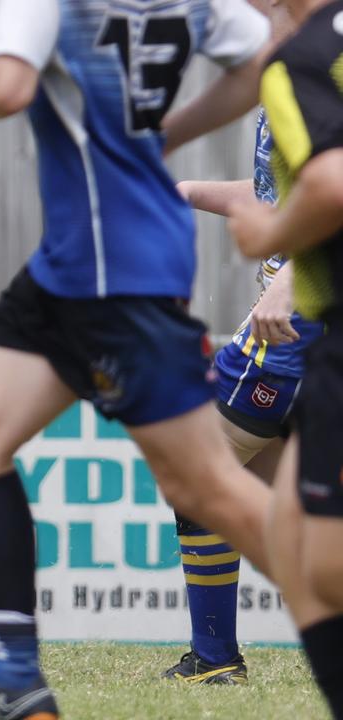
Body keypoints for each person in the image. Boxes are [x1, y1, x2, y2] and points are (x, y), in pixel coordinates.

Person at [0, 1, 271, 717]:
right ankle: (15, 678)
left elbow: (9, 87)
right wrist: (161, 137)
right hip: (70, 271)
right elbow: (257, 61)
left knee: (212, 490)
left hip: (116, 281)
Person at [162, 0, 321, 686]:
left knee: (198, 469)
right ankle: (216, 656)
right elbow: (277, 197)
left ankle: (215, 659)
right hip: (296, 319)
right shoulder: (287, 67)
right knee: (291, 514)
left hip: (299, 326)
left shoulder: (321, 64)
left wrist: (289, 279)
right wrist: (187, 190)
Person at [228, 0, 343, 714]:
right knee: (295, 542)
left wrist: (280, 262)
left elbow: (328, 186)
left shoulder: (299, 59)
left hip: (323, 320)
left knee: (319, 569)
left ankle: (213, 657)